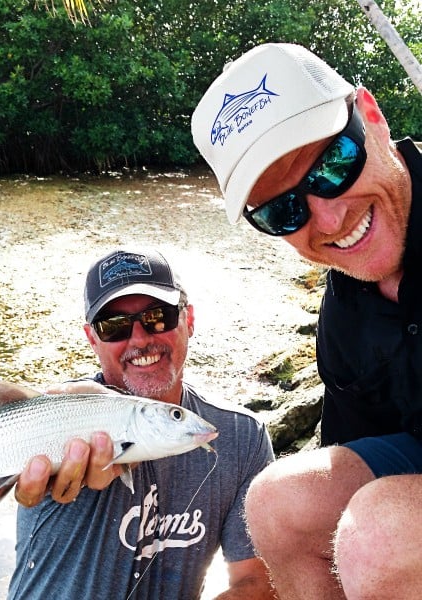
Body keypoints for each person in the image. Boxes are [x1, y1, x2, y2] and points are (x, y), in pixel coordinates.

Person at [191, 42, 422, 599]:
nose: (330, 215)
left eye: (333, 165)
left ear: (372, 115)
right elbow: (347, 454)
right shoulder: (343, 316)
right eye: (283, 210)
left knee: (380, 534)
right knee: (278, 500)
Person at [0, 247, 276, 599]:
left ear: (188, 319)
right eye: (113, 326)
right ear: (92, 338)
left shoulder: (243, 437)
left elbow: (253, 580)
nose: (140, 339)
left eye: (158, 316)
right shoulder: (62, 418)